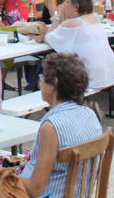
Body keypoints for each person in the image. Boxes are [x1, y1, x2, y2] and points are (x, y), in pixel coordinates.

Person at [18, 53, 102, 198]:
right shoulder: (90, 115)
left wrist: (5, 176)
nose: (40, 84)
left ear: (54, 83)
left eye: (42, 79)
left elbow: (36, 189)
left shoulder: (51, 127)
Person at [44, 0, 114, 88]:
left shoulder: (73, 23)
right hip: (111, 72)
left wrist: (58, 18)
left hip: (92, 77)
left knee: (55, 68)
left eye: (66, 3)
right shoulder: (95, 18)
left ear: (76, 6)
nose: (62, 6)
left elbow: (48, 38)